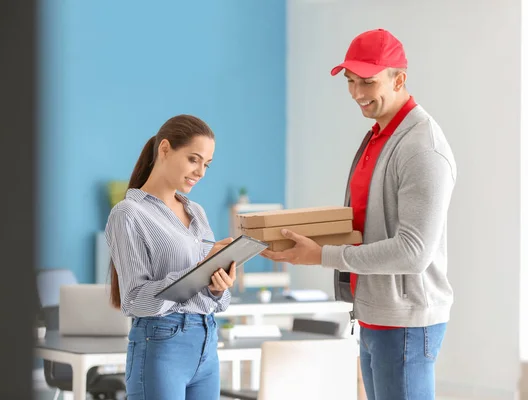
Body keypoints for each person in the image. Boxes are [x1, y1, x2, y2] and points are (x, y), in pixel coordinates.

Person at [262, 29, 457, 400]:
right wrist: (305, 238)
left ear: (399, 79)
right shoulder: (378, 137)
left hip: (404, 323)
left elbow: (413, 252)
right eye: (351, 82)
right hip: (373, 314)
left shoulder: (422, 148)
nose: (356, 93)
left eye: (367, 82)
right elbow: (365, 224)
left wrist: (321, 256)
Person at [105, 114, 236, 400]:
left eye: (207, 165)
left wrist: (216, 285)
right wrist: (198, 271)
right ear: (165, 149)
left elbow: (219, 300)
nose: (200, 172)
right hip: (161, 344)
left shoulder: (196, 212)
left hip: (207, 341)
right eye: (194, 159)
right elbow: (134, 299)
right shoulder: (128, 214)